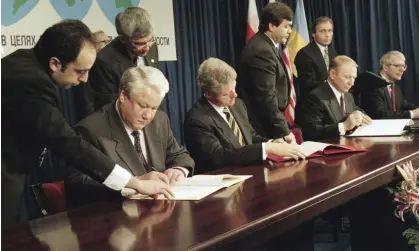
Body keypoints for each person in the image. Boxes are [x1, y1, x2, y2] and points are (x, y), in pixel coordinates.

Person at [1, 20, 172, 229]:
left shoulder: (24, 62)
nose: (84, 80)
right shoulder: (31, 83)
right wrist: (135, 183)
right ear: (55, 64)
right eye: (80, 71)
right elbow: (68, 143)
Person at [66, 66, 194, 208]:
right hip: (114, 217)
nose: (148, 116)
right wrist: (134, 183)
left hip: (160, 210)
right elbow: (78, 183)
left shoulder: (160, 120)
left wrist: (179, 169)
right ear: (123, 96)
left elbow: (179, 154)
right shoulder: (92, 129)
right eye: (143, 106)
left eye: (154, 108)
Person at [184, 58, 306, 174]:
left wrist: (274, 142)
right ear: (208, 94)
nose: (235, 95)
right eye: (226, 94)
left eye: (234, 88)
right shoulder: (197, 119)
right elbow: (219, 157)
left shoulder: (238, 104)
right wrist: (267, 148)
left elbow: (249, 138)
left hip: (249, 173)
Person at [237, 2, 296, 142]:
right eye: (286, 26)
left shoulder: (265, 45)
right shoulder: (262, 50)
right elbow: (266, 97)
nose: (290, 31)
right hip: (263, 127)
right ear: (271, 26)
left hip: (268, 123)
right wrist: (284, 131)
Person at [89, 7, 159, 111]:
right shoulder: (105, 61)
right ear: (123, 39)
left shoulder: (152, 47)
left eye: (150, 40)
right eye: (139, 43)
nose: (147, 47)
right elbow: (108, 106)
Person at [296, 55, 372, 141]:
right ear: (332, 74)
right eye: (347, 77)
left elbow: (354, 111)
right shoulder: (315, 97)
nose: (352, 83)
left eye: (354, 78)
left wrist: (359, 114)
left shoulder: (348, 96)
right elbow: (312, 132)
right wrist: (344, 126)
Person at [360, 51, 419, 119]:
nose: (402, 69)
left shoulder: (396, 88)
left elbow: (404, 105)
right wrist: (412, 114)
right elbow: (380, 114)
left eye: (403, 66)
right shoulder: (372, 85)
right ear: (385, 67)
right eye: (397, 66)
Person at [295, 16, 337, 100]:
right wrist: (332, 84)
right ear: (313, 34)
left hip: (331, 100)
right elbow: (306, 83)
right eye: (323, 31)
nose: (327, 35)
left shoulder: (332, 52)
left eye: (330, 31)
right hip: (313, 101)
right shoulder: (304, 53)